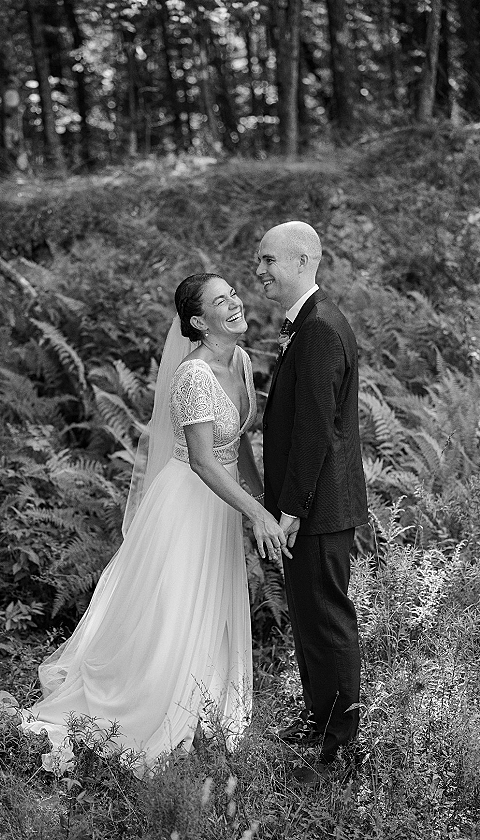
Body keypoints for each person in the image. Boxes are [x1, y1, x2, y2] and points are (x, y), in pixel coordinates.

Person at [21, 272, 287, 777]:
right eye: (219, 301)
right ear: (197, 321)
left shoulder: (243, 361)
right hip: (189, 501)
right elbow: (207, 462)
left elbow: (240, 445)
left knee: (212, 601)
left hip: (224, 502)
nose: (234, 303)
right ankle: (152, 698)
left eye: (234, 294)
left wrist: (262, 504)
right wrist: (256, 514)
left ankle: (204, 698)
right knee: (177, 604)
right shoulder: (193, 376)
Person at [255, 221, 368, 782]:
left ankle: (340, 745)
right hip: (312, 505)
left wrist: (291, 509)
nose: (260, 271)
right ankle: (319, 718)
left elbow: (315, 430)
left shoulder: (320, 328)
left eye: (268, 260)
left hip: (318, 509)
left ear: (301, 261)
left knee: (326, 620)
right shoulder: (310, 323)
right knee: (307, 618)